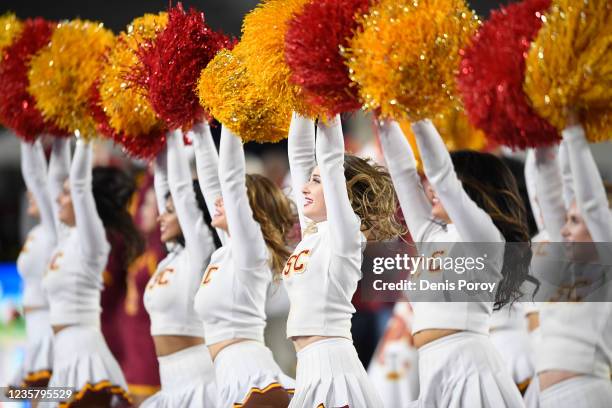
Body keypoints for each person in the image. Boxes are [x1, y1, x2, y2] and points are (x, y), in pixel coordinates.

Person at [378, 119, 531, 407]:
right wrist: (384, 118)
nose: (430, 187)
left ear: (471, 189)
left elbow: (444, 180)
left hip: (469, 366)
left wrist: (417, 117)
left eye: (443, 181)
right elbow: (402, 173)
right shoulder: (431, 234)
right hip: (430, 368)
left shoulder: (483, 236)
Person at [285, 114, 402, 407]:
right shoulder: (313, 234)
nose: (303, 189)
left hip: (332, 368)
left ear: (341, 191)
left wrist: (327, 101)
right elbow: (299, 152)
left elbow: (330, 158)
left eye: (316, 181)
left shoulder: (345, 234)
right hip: (308, 367)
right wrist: (297, 99)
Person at [193, 123, 295, 407]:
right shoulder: (225, 253)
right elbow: (212, 182)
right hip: (227, 373)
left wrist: (230, 116)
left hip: (248, 374)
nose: (218, 202)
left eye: (230, 199)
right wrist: (198, 128)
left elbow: (228, 178)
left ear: (247, 210)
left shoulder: (253, 251)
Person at [525, 116, 612, 408]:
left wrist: (574, 128)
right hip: (545, 396)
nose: (563, 229)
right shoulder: (565, 263)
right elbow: (548, 190)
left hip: (587, 394)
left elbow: (592, 204)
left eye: (574, 222)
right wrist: (540, 127)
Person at [42, 138, 135, 407]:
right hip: (60, 352)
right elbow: (49, 181)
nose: (59, 198)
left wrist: (84, 133)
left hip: (84, 352)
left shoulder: (92, 242)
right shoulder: (65, 238)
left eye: (66, 194)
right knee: (11, 393)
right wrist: (55, 138)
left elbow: (80, 185)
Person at [141, 129, 221, 407]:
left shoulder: (200, 254)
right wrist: (157, 147)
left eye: (170, 212)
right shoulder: (169, 259)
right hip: (168, 381)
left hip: (198, 380)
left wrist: (173, 130)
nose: (161, 216)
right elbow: (167, 187)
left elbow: (181, 192)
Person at [10, 140, 59, 389]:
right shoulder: (36, 233)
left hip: (46, 325)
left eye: (36, 193)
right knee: (15, 394)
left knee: (44, 396)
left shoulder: (55, 232)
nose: (31, 193)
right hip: (32, 326)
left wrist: (28, 138)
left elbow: (36, 178)